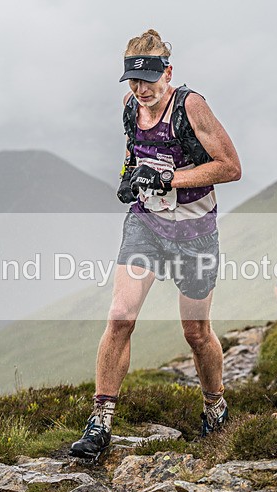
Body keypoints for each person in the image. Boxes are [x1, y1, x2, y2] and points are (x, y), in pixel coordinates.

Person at [70, 29, 241, 460]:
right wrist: (130, 178)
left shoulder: (190, 106)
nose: (139, 89)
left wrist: (169, 179)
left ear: (168, 72)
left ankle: (214, 405)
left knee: (196, 333)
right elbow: (135, 151)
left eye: (147, 80)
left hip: (195, 232)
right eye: (132, 80)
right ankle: (100, 421)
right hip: (146, 224)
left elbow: (230, 167)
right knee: (120, 317)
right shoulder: (131, 106)